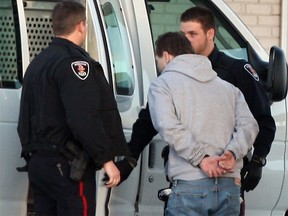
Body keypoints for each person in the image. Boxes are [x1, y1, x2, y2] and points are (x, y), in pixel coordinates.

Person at [117, 6, 276, 215]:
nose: (186, 40)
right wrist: (131, 157)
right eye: (183, 34)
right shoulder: (172, 78)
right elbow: (150, 120)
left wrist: (257, 160)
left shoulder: (235, 72)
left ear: (210, 34)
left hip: (222, 177)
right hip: (192, 179)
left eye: (193, 34)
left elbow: (262, 121)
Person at [17, 1, 130, 216]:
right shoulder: (75, 64)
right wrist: (106, 159)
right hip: (67, 166)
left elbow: (25, 116)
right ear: (81, 25)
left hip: (39, 162)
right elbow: (84, 117)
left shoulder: (38, 63)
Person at [148, 31, 259, 216]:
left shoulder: (162, 85)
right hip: (229, 188)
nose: (160, 67)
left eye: (158, 61)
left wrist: (201, 159)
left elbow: (169, 126)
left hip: (188, 188)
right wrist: (232, 153)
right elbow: (250, 125)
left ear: (166, 56)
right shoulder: (228, 89)